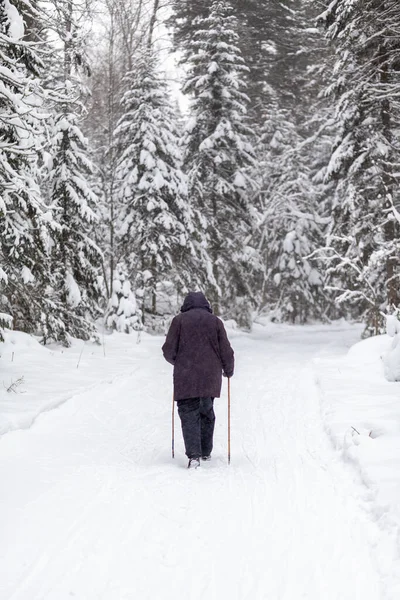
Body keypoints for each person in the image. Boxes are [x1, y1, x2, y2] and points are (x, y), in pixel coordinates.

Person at [162, 291, 234, 469]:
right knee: (206, 412)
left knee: (188, 414)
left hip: (185, 376)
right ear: (206, 305)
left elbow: (168, 350)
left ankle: (194, 457)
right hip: (210, 377)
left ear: (186, 305)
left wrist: (178, 362)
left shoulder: (179, 321)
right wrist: (228, 370)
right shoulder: (215, 322)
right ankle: (206, 451)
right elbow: (226, 350)